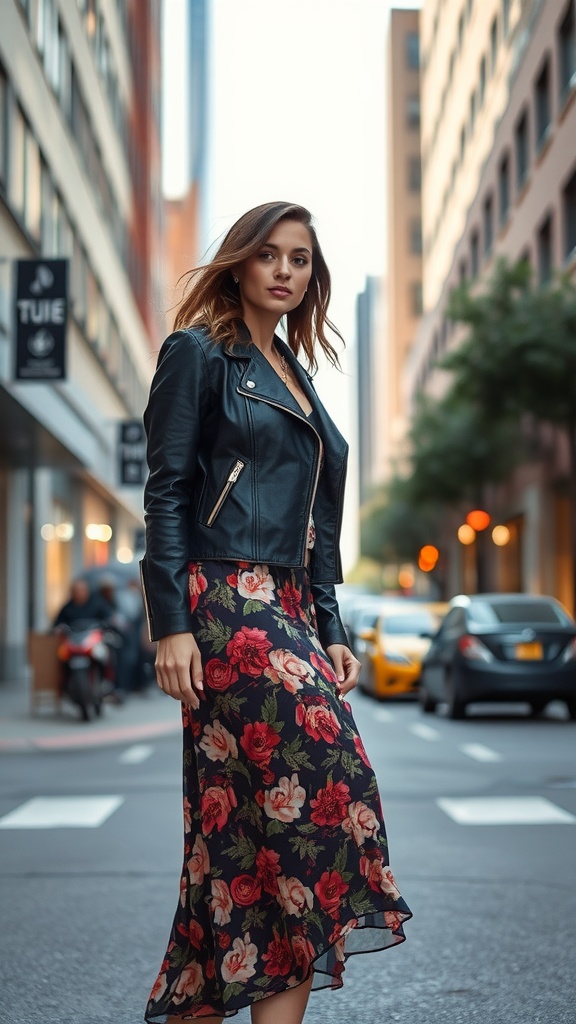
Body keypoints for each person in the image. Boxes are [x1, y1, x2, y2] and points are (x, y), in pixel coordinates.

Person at [140, 201, 412, 1024]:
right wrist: (170, 620)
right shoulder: (199, 354)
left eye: (300, 258)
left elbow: (318, 529)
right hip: (224, 599)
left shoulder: (296, 374)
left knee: (244, 842)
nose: (285, 271)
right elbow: (167, 492)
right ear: (241, 264)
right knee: (331, 784)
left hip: (289, 604)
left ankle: (210, 1000)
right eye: (270, 256)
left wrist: (331, 628)